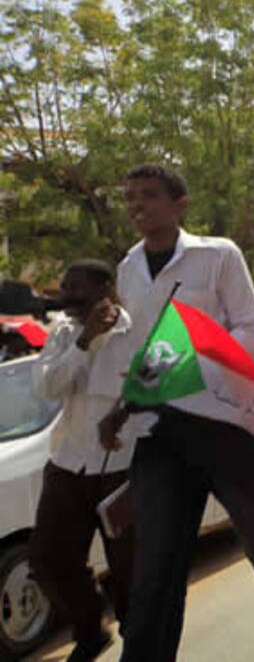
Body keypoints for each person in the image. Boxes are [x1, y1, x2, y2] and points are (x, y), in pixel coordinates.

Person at [100, 164, 254, 662]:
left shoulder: (218, 254)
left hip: (222, 424)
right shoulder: (128, 267)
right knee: (156, 561)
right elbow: (142, 352)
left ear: (179, 205)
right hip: (158, 430)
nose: (137, 205)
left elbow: (251, 330)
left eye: (149, 195)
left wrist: (191, 358)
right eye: (130, 196)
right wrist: (122, 403)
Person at [30, 260, 138, 661]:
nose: (68, 296)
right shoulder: (62, 334)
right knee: (48, 555)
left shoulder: (137, 330)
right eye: (64, 287)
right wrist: (83, 341)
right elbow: (47, 387)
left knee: (131, 567)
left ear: (106, 289)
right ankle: (91, 629)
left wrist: (124, 415)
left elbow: (155, 388)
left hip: (122, 467)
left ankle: (139, 638)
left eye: (77, 288)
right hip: (69, 465)